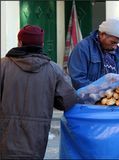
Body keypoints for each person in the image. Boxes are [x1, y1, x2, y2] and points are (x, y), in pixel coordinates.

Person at [0, 25, 80, 159]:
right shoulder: (54, 69)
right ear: (42, 44)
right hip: (36, 138)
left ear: (19, 42)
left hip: (5, 136)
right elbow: (67, 102)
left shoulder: (3, 66)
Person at [68, 18, 119, 90]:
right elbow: (78, 80)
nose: (115, 47)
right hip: (88, 99)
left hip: (111, 99)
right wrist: (103, 90)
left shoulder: (116, 54)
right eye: (113, 42)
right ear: (102, 34)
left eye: (117, 43)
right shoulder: (83, 48)